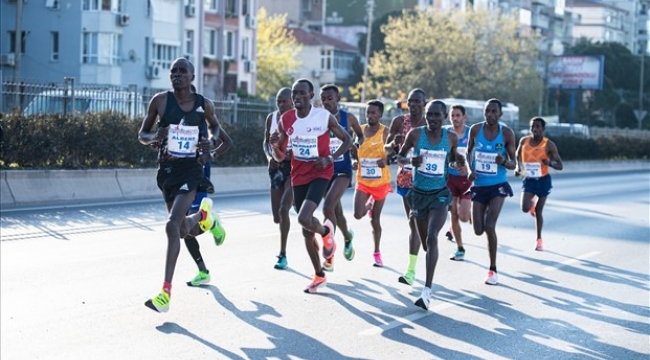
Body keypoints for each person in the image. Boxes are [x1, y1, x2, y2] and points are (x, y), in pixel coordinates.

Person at [138, 58, 233, 312]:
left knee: (171, 225)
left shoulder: (204, 106)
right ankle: (206, 218)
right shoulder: (160, 101)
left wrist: (208, 151)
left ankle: (165, 293)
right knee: (181, 230)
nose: (177, 75)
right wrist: (155, 136)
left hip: (191, 171)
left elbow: (221, 137)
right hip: (166, 173)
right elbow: (142, 135)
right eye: (174, 71)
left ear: (192, 76)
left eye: (183, 71)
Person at [269, 79, 352, 293]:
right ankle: (319, 275)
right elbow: (279, 157)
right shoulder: (286, 119)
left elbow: (348, 140)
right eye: (294, 94)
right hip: (299, 175)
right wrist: (274, 145)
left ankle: (326, 232)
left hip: (321, 172)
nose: (296, 97)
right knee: (306, 232)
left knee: (304, 218)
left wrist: (330, 158)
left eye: (301, 93)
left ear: (310, 95)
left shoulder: (323, 116)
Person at [399, 100, 463, 310]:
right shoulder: (416, 135)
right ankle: (422, 271)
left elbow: (453, 161)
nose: (433, 119)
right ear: (425, 115)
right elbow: (400, 156)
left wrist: (458, 162)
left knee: (432, 237)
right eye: (430, 115)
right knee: (427, 245)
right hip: (418, 195)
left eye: (437, 115)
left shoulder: (450, 137)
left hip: (440, 195)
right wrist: (410, 161)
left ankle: (427, 291)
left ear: (444, 117)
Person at [466, 98, 516, 286]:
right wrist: (471, 171)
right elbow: (468, 152)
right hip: (479, 185)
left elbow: (514, 164)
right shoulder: (476, 130)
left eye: (494, 112)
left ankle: (492, 269)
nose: (490, 115)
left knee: (489, 226)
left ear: (500, 114)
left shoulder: (507, 134)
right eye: (487, 111)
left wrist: (502, 161)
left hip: (498, 185)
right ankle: (479, 213)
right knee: (478, 230)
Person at [184, 102, 234, 287]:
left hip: (198, 182)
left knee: (191, 228)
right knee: (184, 231)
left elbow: (228, 142)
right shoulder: (176, 124)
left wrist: (211, 154)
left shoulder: (207, 125)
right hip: (179, 180)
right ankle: (203, 272)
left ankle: (210, 221)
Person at [319, 84, 364, 270]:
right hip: (324, 170)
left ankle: (329, 255)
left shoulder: (348, 118)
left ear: (337, 99)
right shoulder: (318, 119)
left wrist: (355, 144)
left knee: (328, 206)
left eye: (330, 98)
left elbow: (360, 136)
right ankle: (347, 236)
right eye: (323, 99)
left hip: (342, 170)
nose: (327, 102)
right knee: (336, 212)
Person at [385, 88, 427, 286]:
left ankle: (412, 268)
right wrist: (392, 145)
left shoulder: (431, 123)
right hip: (405, 178)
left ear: (424, 104)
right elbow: (387, 147)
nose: (413, 105)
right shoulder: (400, 122)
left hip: (427, 180)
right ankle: (412, 268)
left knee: (417, 222)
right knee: (413, 223)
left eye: (417, 101)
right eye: (410, 101)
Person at [351, 99, 392, 267]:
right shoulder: (359, 130)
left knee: (375, 219)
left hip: (381, 182)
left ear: (380, 114)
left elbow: (392, 153)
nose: (370, 116)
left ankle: (377, 253)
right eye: (368, 112)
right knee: (357, 214)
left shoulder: (385, 132)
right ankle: (368, 206)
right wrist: (354, 161)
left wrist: (385, 160)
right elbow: (355, 152)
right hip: (363, 180)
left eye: (374, 113)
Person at [515, 117, 563, 251]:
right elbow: (517, 154)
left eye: (537, 126)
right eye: (532, 127)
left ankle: (539, 240)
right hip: (529, 179)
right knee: (524, 207)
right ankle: (530, 206)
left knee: (538, 211)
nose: (534, 129)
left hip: (543, 181)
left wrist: (550, 163)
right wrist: (518, 168)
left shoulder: (549, 145)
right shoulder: (524, 141)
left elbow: (560, 165)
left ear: (543, 129)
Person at [263, 87, 295, 270]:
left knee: (284, 210)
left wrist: (293, 154)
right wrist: (270, 158)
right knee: (277, 217)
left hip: (294, 167)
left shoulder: (299, 118)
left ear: (292, 101)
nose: (281, 104)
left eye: (285, 101)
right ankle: (296, 200)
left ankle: (282, 254)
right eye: (278, 101)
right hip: (276, 167)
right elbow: (266, 142)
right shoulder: (272, 118)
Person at [444, 104, 472, 261]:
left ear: (464, 117)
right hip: (450, 179)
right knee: (453, 214)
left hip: (466, 180)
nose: (454, 119)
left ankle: (471, 209)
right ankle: (460, 248)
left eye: (458, 115)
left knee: (463, 217)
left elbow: (476, 155)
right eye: (452, 115)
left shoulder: (470, 133)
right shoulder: (445, 132)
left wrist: (468, 169)